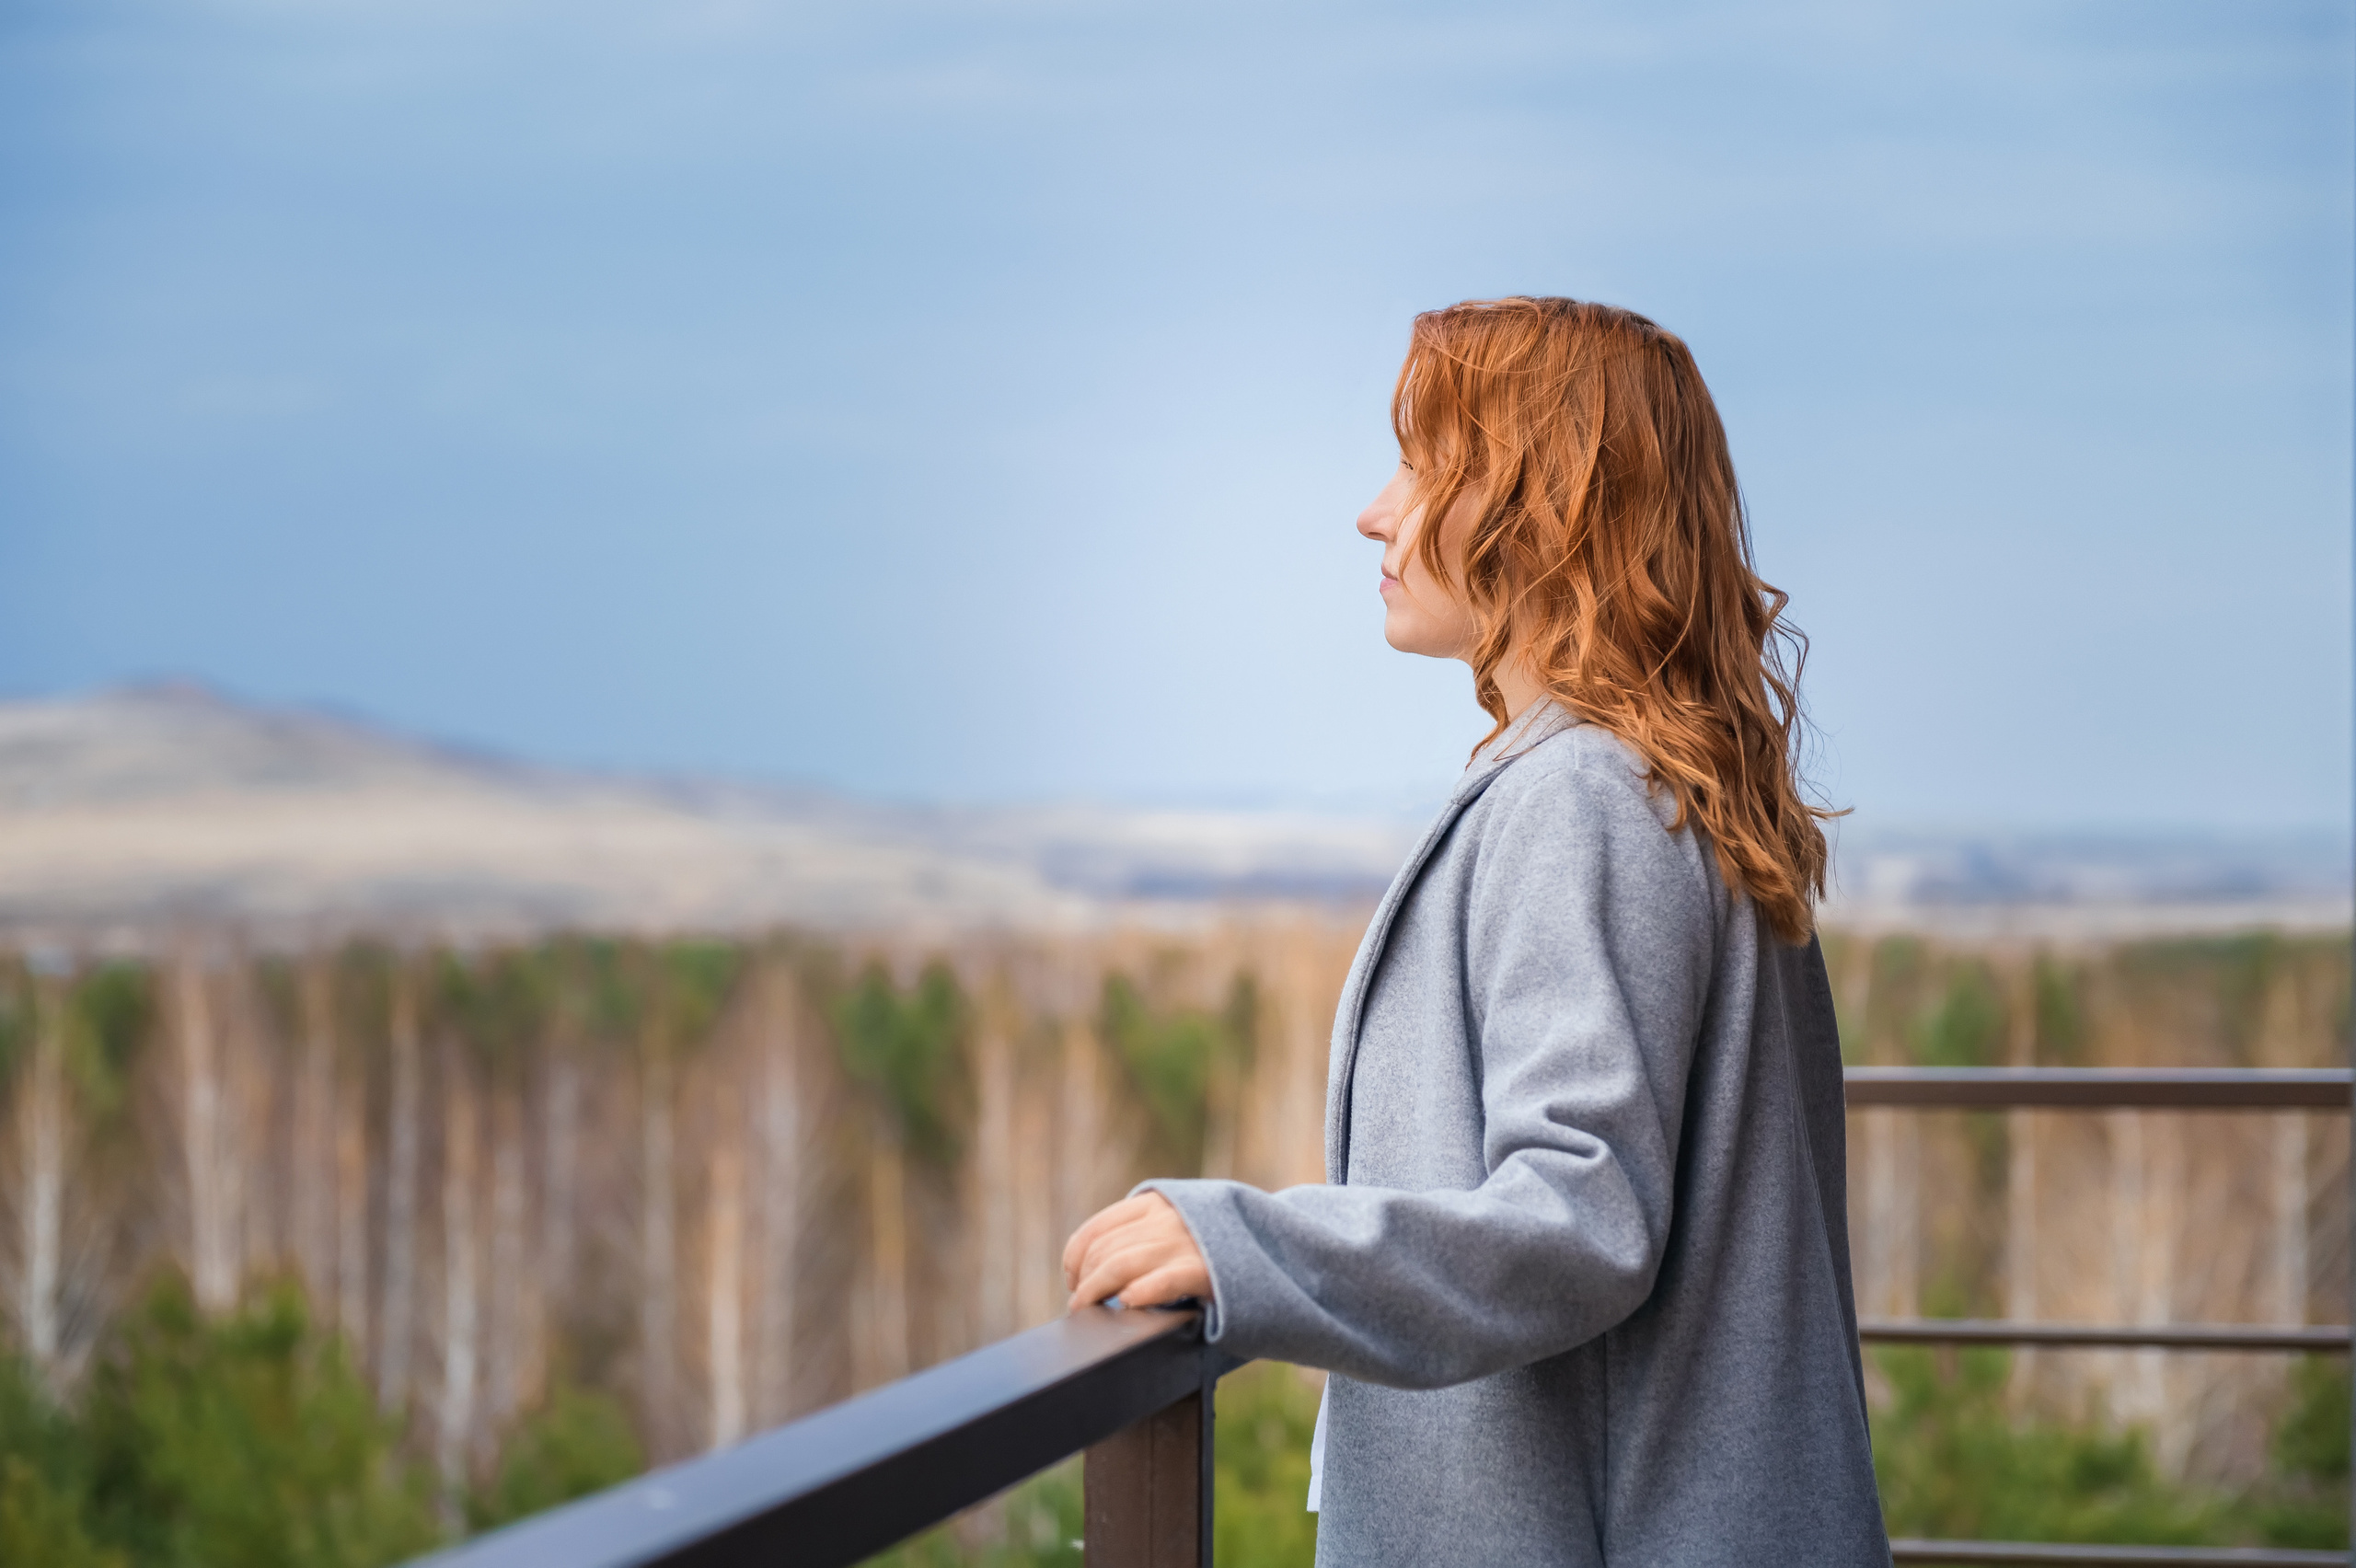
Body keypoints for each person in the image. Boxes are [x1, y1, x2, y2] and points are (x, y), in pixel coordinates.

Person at [1061, 296, 1891, 1566]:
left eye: (1421, 463)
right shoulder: (1659, 783)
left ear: (1541, 508)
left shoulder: (1585, 800)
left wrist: (1243, 1247)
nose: (1375, 511)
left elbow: (1580, 1220)